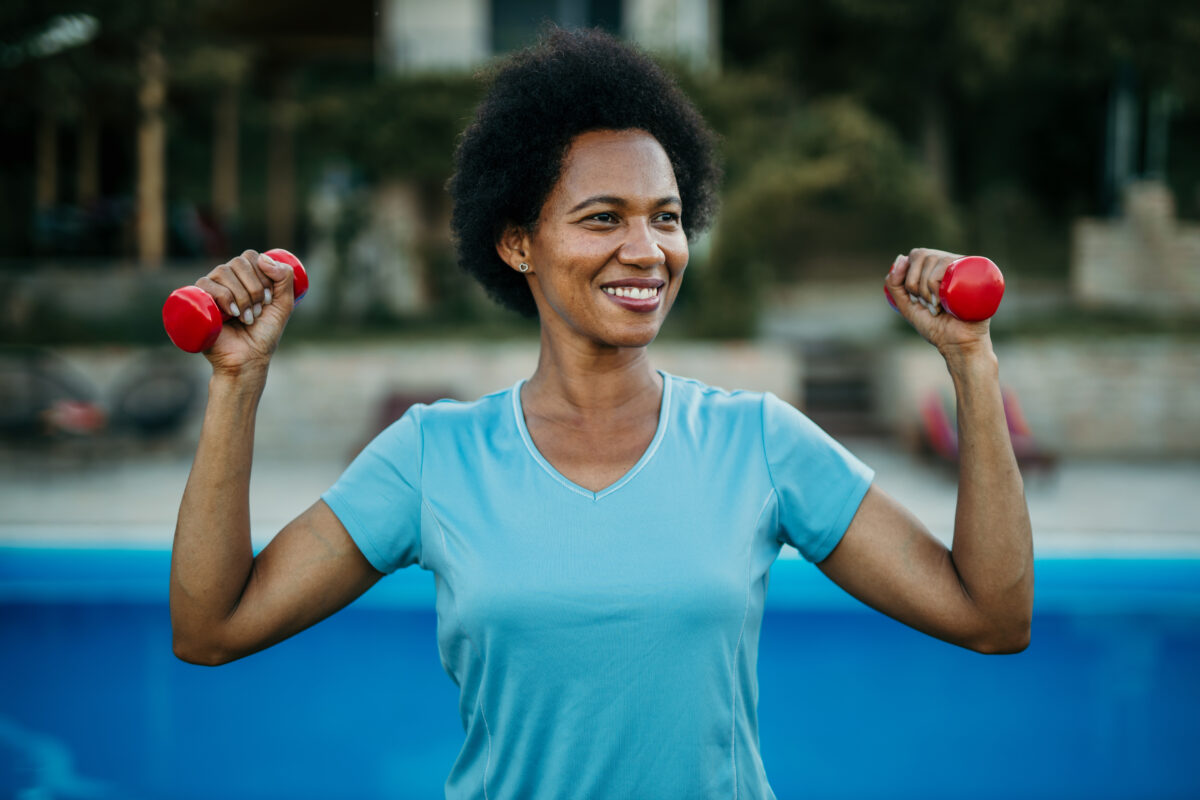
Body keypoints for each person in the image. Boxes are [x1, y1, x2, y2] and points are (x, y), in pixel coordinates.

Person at [169, 28, 1033, 800]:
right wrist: (238, 379)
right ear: (517, 243)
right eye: (601, 218)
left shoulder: (759, 442)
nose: (646, 250)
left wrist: (971, 363)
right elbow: (211, 629)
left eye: (666, 217)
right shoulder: (433, 457)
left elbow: (991, 618)